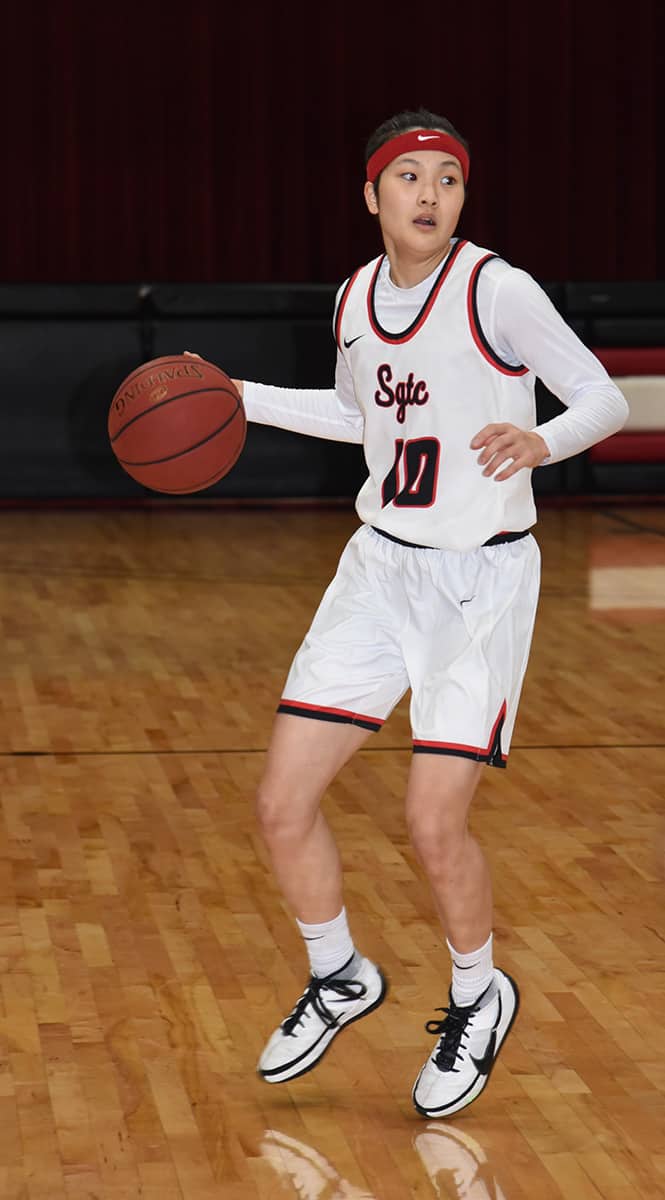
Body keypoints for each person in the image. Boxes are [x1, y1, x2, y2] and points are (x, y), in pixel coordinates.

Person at [195, 107, 628, 1118]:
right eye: (409, 177)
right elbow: (359, 419)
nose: (429, 194)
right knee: (278, 803)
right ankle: (338, 972)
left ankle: (478, 995)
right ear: (371, 195)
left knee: (431, 822)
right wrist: (238, 394)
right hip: (376, 573)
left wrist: (542, 443)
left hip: (478, 585)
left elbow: (603, 398)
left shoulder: (495, 288)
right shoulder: (353, 295)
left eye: (447, 178)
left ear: (461, 198)